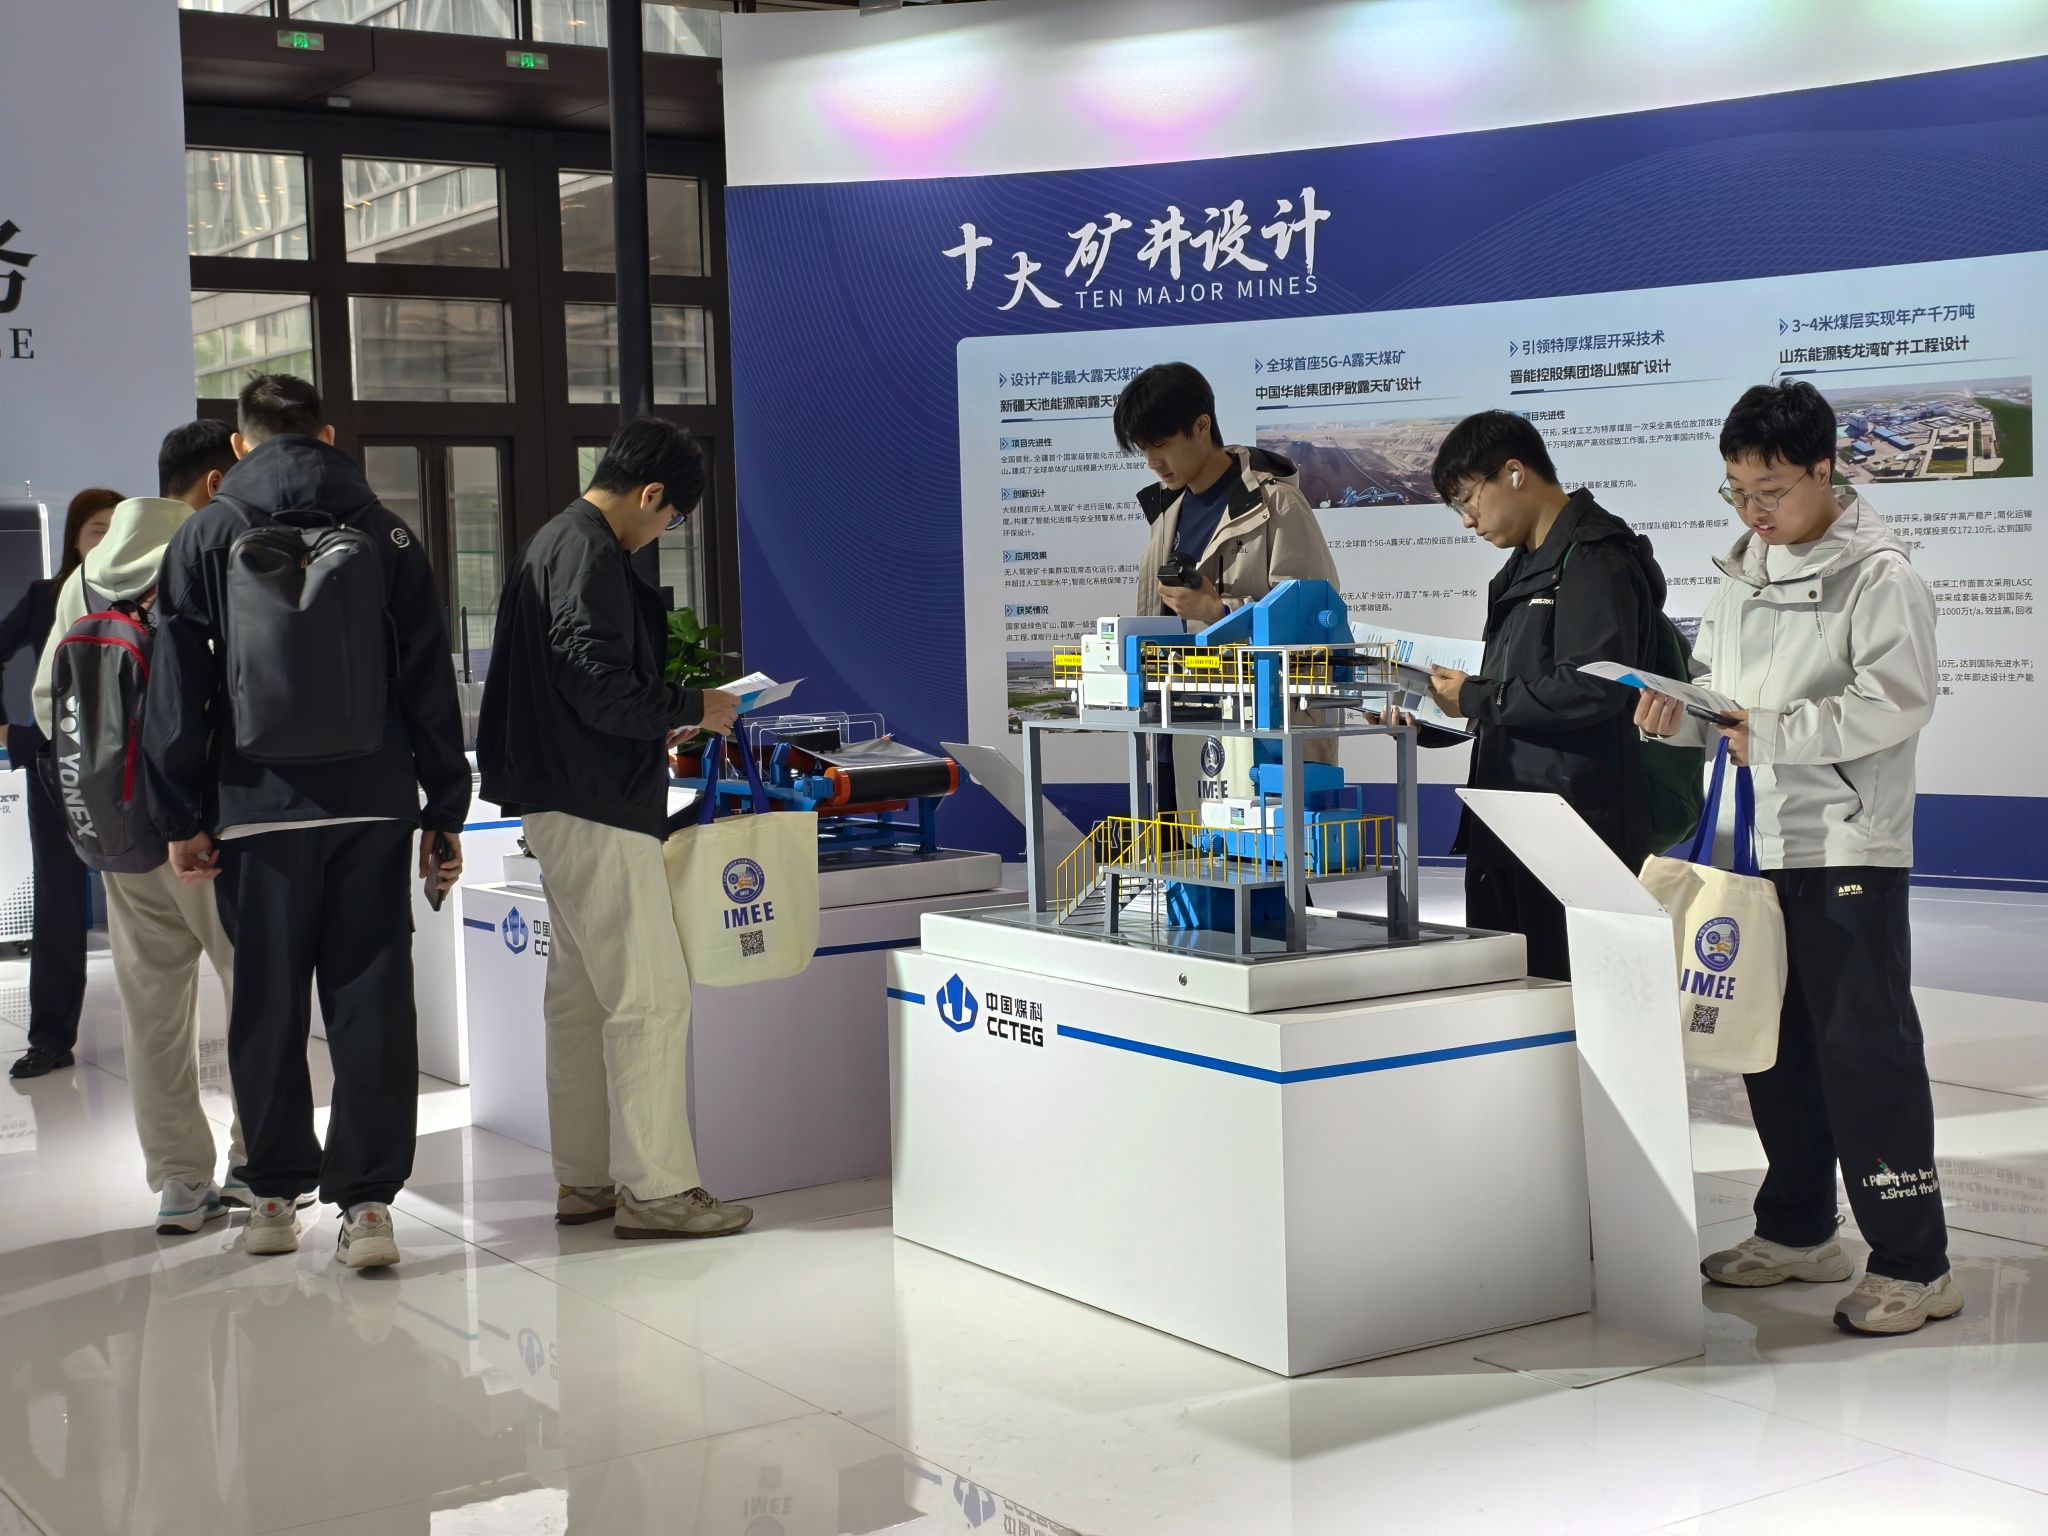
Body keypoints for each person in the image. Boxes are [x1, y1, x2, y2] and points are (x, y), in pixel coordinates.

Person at [1637, 380, 1953, 1335]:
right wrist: (1678, 716)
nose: (1754, 510)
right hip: (1755, 840)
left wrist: (1766, 728)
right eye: (1738, 491)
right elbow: (1721, 697)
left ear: (1825, 469)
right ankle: (1799, 1231)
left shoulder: (1881, 576)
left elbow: (1897, 702)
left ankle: (1916, 1264)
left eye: (1770, 490)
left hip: (1847, 842)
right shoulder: (1740, 574)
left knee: (1866, 1051)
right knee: (1769, 1046)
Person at [143, 374, 471, 1269]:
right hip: (372, 803)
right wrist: (443, 805)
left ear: (238, 446)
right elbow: (427, 675)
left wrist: (181, 812)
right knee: (371, 1002)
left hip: (254, 808)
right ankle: (367, 1210)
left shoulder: (206, 532)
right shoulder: (387, 530)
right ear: (327, 435)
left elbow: (179, 684)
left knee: (266, 1005)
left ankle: (274, 1196)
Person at [477, 415, 750, 1240]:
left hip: (561, 797)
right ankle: (658, 1189)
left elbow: (575, 682)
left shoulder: (556, 542)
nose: (665, 533)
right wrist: (692, 704)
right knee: (649, 996)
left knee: (584, 1001)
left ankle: (589, 1179)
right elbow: (595, 682)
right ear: (651, 494)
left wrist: (662, 713)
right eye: (672, 519)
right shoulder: (589, 552)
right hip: (594, 800)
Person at [30, 423, 268, 1232]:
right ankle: (255, 1161)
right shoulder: (214, 554)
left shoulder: (85, 577)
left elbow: (48, 702)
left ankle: (178, 1181)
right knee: (252, 993)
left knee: (152, 1011)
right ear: (213, 483)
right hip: (212, 828)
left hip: (122, 830)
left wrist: (109, 789)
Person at [1422, 412, 1667, 981]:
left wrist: (1476, 698)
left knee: (1573, 1001)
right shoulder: (1522, 569)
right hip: (1510, 823)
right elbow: (1511, 697)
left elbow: (1594, 687)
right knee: (1510, 1001)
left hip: (1575, 832)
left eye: (1468, 499)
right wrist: (1426, 713)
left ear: (1513, 473)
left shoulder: (1596, 558)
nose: (1468, 521)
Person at [1113, 362, 1345, 802]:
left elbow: (1315, 628)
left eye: (1160, 445)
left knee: (1252, 849)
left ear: (1202, 426)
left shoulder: (1277, 505)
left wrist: (1218, 613)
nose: (1152, 463)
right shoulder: (1166, 512)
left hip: (1257, 744)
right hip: (1173, 734)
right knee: (1175, 846)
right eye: (1143, 449)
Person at [2, 488, 119, 1078]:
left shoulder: (152, 589)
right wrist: (14, 735)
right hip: (59, 767)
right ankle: (50, 1038)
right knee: (59, 902)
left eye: (117, 526)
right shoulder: (45, 597)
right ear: (74, 537)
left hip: (135, 766)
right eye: (97, 528)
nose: (108, 537)